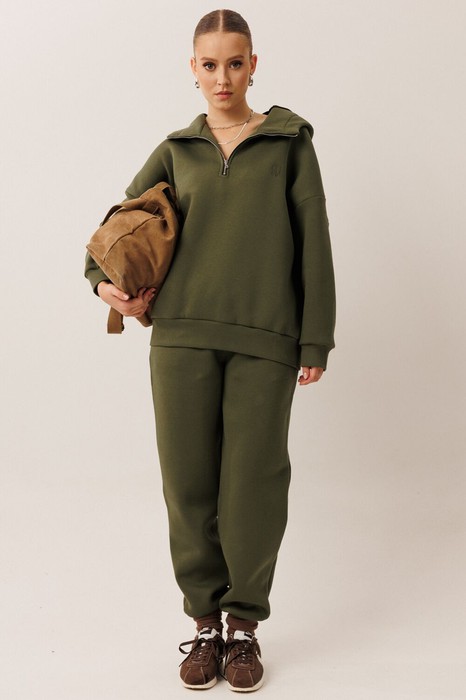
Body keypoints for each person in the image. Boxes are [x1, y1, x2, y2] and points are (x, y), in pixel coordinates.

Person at [85, 9, 336, 693]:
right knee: (188, 486)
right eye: (209, 64)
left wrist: (315, 336)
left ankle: (244, 626)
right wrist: (105, 285)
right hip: (181, 339)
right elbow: (115, 230)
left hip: (266, 339)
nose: (222, 77)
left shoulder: (289, 143)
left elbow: (314, 241)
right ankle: (203, 626)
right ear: (191, 69)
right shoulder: (176, 149)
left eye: (235, 62)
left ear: (254, 65)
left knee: (254, 486)